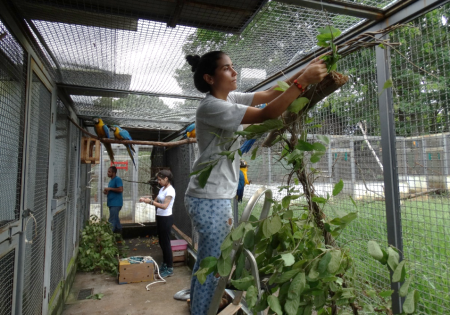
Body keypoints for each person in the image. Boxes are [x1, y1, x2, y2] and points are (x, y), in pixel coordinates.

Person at [184, 51, 327, 314]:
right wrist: (302, 82)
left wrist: (305, 71)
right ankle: (203, 310)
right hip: (210, 199)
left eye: (233, 67)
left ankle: (199, 307)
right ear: (210, 78)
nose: (234, 72)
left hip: (212, 196)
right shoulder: (213, 106)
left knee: (207, 261)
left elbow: (272, 93)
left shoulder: (229, 98)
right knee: (214, 264)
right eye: (227, 69)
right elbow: (268, 113)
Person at [140, 170, 176, 278]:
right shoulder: (162, 189)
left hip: (166, 218)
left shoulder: (170, 191)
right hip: (160, 217)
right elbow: (155, 200)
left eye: (160, 179)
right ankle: (165, 264)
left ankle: (169, 268)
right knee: (161, 242)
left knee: (166, 243)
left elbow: (164, 206)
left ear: (166, 179)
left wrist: (149, 202)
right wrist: (146, 199)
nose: (159, 181)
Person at [104, 166, 123, 233]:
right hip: (111, 203)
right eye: (108, 171)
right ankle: (119, 234)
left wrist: (110, 189)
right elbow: (111, 190)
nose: (108, 173)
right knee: (116, 220)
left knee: (112, 220)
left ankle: (109, 235)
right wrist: (106, 191)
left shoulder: (117, 179)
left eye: (109, 172)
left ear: (114, 173)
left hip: (116, 203)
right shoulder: (111, 181)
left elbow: (120, 189)